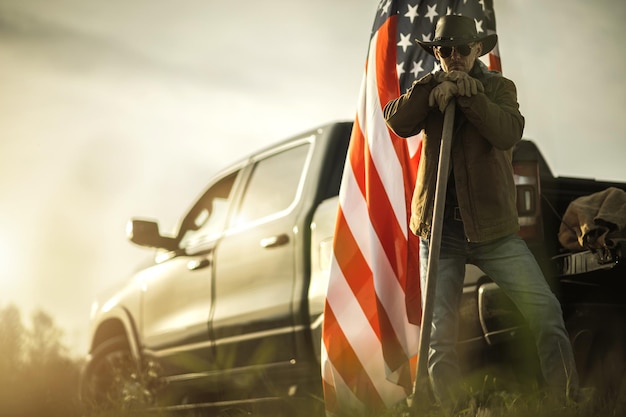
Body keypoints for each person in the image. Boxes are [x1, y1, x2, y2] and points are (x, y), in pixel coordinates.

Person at [383, 15, 579, 408]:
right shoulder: (430, 88)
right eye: (445, 51)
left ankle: (565, 401)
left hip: (494, 231)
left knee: (544, 310)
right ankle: (452, 409)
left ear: (477, 49)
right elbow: (396, 120)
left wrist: (471, 97)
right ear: (436, 53)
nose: (453, 57)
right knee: (440, 334)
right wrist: (430, 89)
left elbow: (508, 132)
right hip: (439, 231)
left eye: (461, 49)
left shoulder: (499, 87)